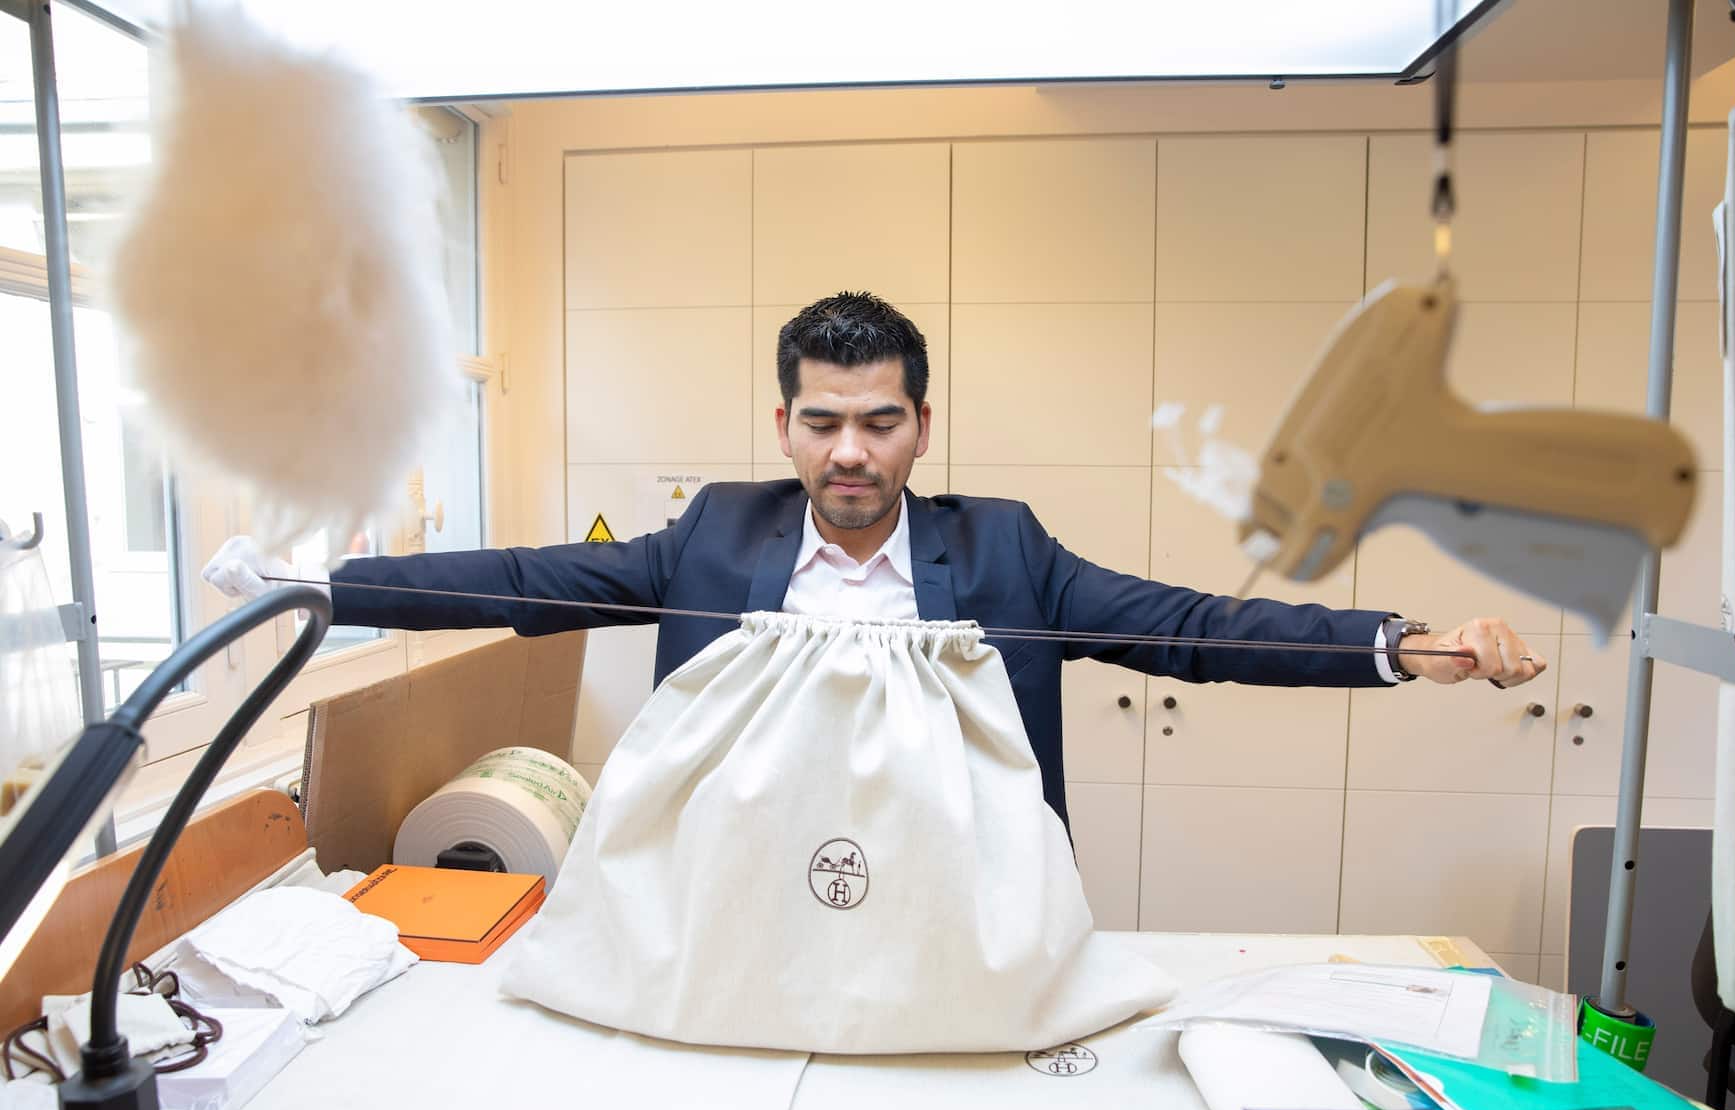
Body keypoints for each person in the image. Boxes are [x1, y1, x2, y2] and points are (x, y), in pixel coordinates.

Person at [206, 291, 1545, 830]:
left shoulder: (1004, 550)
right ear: (783, 424)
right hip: (735, 887)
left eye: (880, 421)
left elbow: (1191, 626)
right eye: (824, 422)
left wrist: (1398, 645)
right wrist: (322, 591)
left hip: (959, 891)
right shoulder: (713, 540)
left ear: (921, 427)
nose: (851, 451)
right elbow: (522, 583)